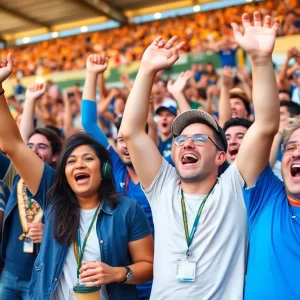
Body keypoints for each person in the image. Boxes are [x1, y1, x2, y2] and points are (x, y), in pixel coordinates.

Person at [120, 12, 280, 299]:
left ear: (221, 157)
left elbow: (267, 124)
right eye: (181, 139)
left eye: (199, 139)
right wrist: (145, 71)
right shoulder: (163, 187)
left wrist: (259, 60)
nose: (187, 144)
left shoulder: (234, 187)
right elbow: (131, 132)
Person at [0, 54, 154, 300]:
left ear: (104, 170)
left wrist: (117, 273)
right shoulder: (52, 195)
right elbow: (13, 145)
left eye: (88, 159)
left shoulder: (127, 209)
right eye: (71, 161)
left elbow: (148, 265)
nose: (78, 164)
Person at [81, 54, 154, 300]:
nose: (124, 145)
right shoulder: (115, 166)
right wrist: (92, 74)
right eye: (120, 139)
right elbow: (89, 123)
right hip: (120, 273)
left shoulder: (159, 171)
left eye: (130, 139)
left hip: (156, 269)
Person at [0, 126, 62, 299]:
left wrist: (50, 233)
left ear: (55, 155)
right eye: (30, 146)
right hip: (9, 274)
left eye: (42, 146)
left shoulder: (62, 187)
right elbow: (10, 144)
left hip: (38, 278)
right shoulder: (16, 176)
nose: (34, 150)